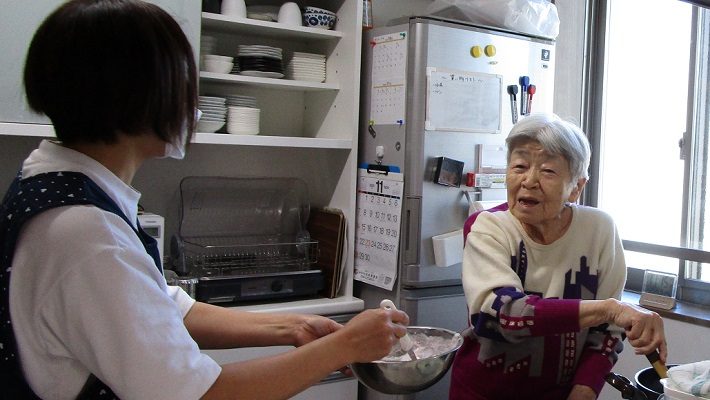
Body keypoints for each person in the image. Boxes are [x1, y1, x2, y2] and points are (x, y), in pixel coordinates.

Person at [0, 1, 410, 399]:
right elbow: (202, 395)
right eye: (182, 84)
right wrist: (343, 348)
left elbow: (160, 304)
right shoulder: (85, 233)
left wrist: (293, 327)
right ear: (137, 96)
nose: (191, 104)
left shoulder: (55, 178)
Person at [449, 114, 667, 400]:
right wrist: (611, 308)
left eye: (548, 171)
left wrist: (585, 389)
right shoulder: (488, 227)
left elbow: (607, 332)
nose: (529, 180)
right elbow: (504, 315)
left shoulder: (599, 229)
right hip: (484, 393)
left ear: (577, 186)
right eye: (519, 166)